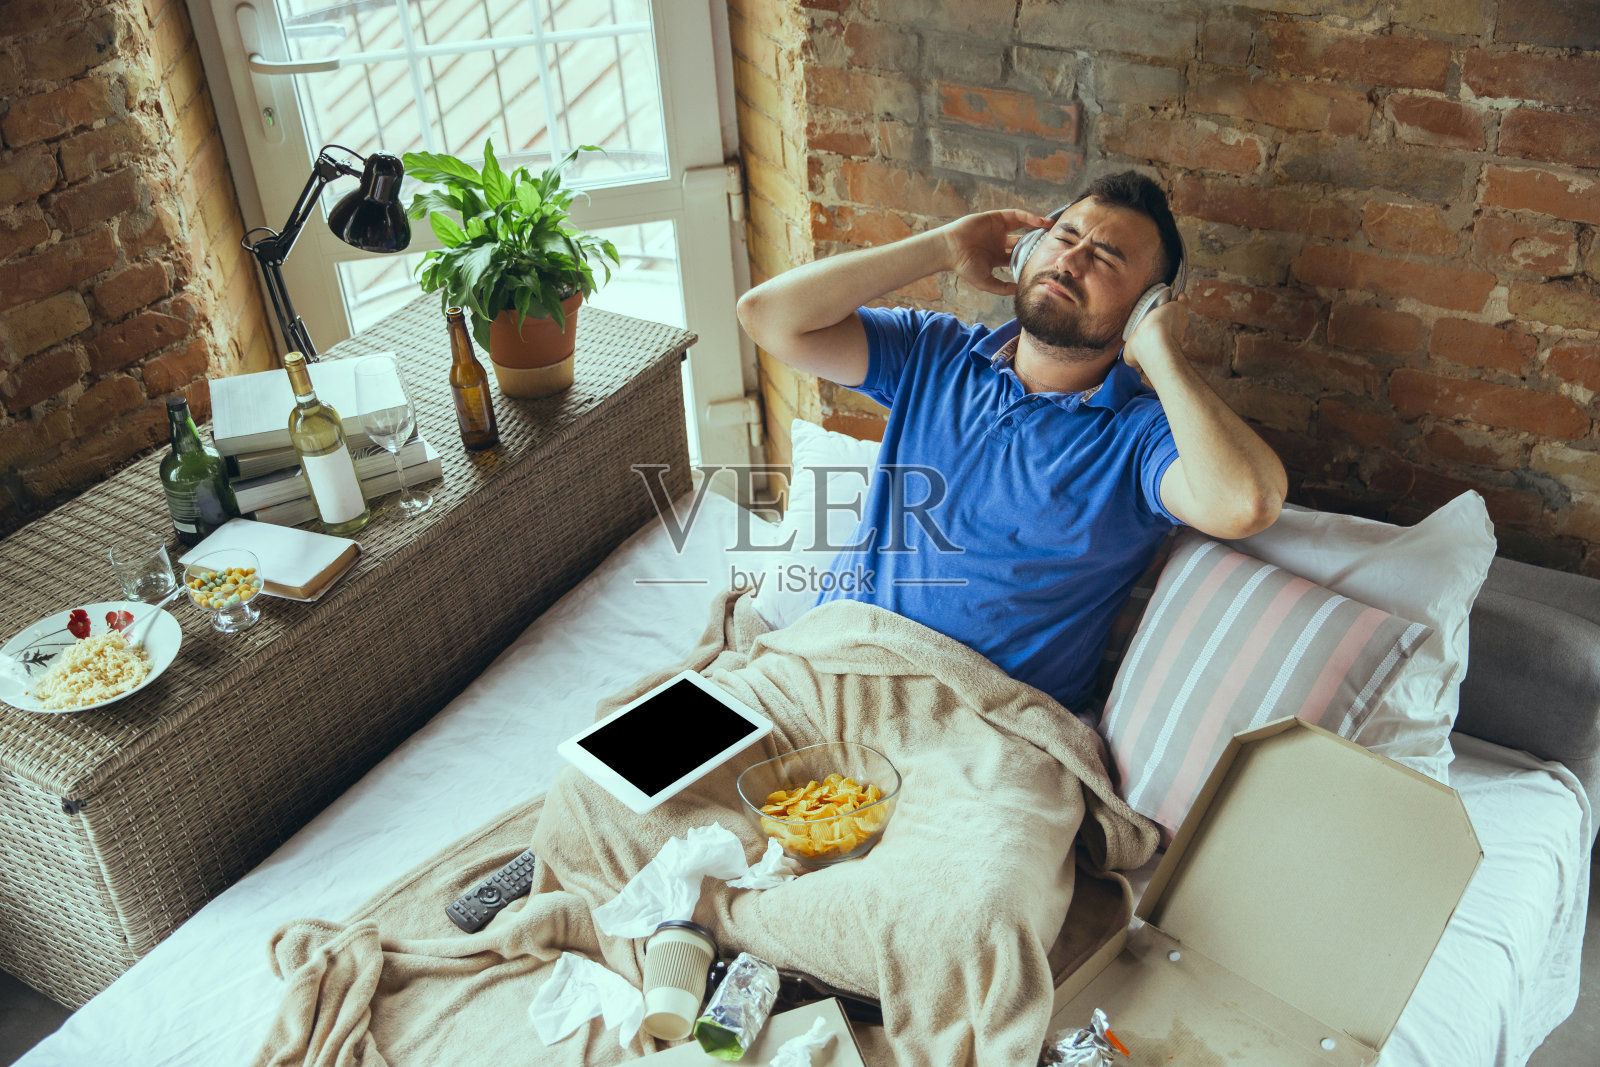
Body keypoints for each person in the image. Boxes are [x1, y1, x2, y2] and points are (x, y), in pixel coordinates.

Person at [736, 171, 1287, 714]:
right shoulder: (934, 351)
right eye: (1065, 238)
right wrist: (945, 246)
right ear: (1027, 250)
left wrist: (1161, 352)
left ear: (1147, 306)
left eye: (1106, 259)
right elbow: (766, 317)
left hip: (982, 724)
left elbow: (1248, 503)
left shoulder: (1140, 437)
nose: (1070, 262)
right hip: (828, 667)